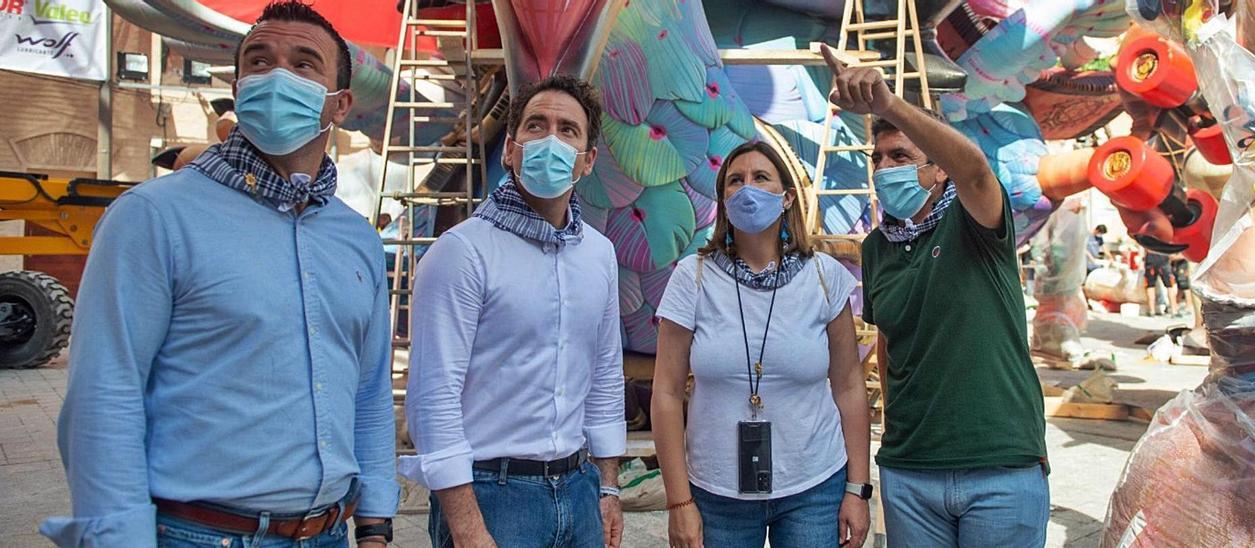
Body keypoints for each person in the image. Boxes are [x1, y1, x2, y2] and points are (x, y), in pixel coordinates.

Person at [41, 2, 398, 546]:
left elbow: (369, 391)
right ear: (238, 84)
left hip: (328, 532)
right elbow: (105, 395)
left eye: (304, 65)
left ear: (341, 104)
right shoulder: (153, 217)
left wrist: (374, 523)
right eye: (259, 61)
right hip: (196, 533)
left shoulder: (357, 240)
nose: (277, 76)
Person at [821, 45, 1049, 547]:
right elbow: (889, 346)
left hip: (999, 467)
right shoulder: (877, 248)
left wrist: (888, 105)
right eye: (877, 158)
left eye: (901, 156)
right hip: (911, 471)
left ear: (938, 168)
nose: (885, 168)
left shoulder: (975, 218)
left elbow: (974, 171)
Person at [402, 75, 626, 548]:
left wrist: (608, 485)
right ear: (510, 149)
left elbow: (605, 374)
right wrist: (466, 524)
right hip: (492, 496)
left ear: (587, 161)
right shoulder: (462, 252)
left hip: (579, 488)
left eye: (568, 130)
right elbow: (433, 396)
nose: (550, 139)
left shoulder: (599, 255)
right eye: (536, 125)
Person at [651, 141, 873, 548]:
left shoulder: (824, 276)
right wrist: (678, 501)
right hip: (716, 493)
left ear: (786, 196)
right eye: (735, 180)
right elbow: (665, 393)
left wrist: (858, 489)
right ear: (723, 199)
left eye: (760, 178)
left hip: (814, 488)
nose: (747, 188)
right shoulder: (692, 278)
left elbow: (849, 386)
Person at [1143, 250, 1173, 316]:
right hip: (1163, 257)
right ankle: (1174, 310)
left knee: (1150, 286)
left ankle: (1152, 311)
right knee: (1169, 286)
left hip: (1151, 258)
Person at [1169, 252, 1192, 316]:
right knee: (1180, 286)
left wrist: (1173, 257)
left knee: (1185, 286)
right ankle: (1176, 304)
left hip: (1183, 266)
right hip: (1178, 265)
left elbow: (1183, 255)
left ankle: (1189, 306)